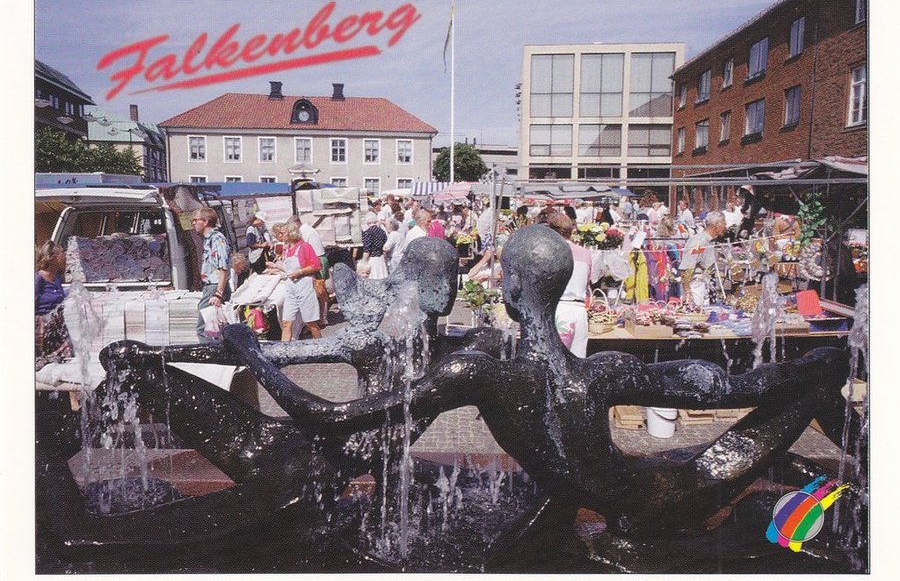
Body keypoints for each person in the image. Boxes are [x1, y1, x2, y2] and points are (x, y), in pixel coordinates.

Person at [221, 223, 862, 549]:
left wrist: (256, 355)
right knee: (810, 388)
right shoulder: (601, 370)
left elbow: (331, 418)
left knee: (810, 393)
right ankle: (846, 431)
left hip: (651, 504)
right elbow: (722, 386)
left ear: (506, 289)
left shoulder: (482, 371)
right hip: (657, 489)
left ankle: (860, 476)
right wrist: (797, 369)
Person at [547, 213, 592, 358]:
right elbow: (587, 282)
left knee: (555, 360)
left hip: (559, 309)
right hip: (579, 311)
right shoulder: (586, 254)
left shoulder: (550, 254)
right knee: (578, 360)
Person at [268, 222, 322, 340]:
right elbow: (288, 269)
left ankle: (323, 346)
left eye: (282, 233)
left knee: (310, 322)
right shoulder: (286, 250)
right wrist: (276, 266)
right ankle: (284, 350)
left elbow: (317, 266)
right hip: (291, 287)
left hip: (304, 285)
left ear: (291, 233)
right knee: (286, 323)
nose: (280, 236)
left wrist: (300, 272)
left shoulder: (304, 247)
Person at [192, 207, 231, 341]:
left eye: (195, 220)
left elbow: (223, 268)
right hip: (211, 287)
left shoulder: (217, 239)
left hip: (215, 287)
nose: (193, 223)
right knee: (215, 329)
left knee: (205, 329)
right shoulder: (208, 239)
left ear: (206, 222)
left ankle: (209, 353)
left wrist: (218, 294)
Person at [35, 240, 72, 368]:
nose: (65, 256)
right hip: (42, 326)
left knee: (67, 357)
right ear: (52, 258)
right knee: (43, 362)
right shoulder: (38, 279)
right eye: (62, 253)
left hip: (58, 324)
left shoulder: (56, 279)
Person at [678, 210, 726, 305]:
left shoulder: (710, 241)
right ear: (716, 225)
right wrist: (688, 292)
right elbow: (686, 268)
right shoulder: (698, 241)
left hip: (706, 286)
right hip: (695, 288)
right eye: (724, 224)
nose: (725, 227)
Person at [294, 216, 330, 326]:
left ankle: (323, 318)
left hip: (318, 260)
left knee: (320, 290)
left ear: (295, 224)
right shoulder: (307, 229)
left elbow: (303, 249)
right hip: (319, 259)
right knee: (319, 290)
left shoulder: (304, 232)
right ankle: (321, 317)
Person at [361, 212, 389, 280]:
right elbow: (385, 245)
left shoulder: (367, 233)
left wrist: (363, 263)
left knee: (373, 278)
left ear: (367, 221)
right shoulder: (382, 231)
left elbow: (367, 250)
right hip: (381, 258)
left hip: (372, 259)